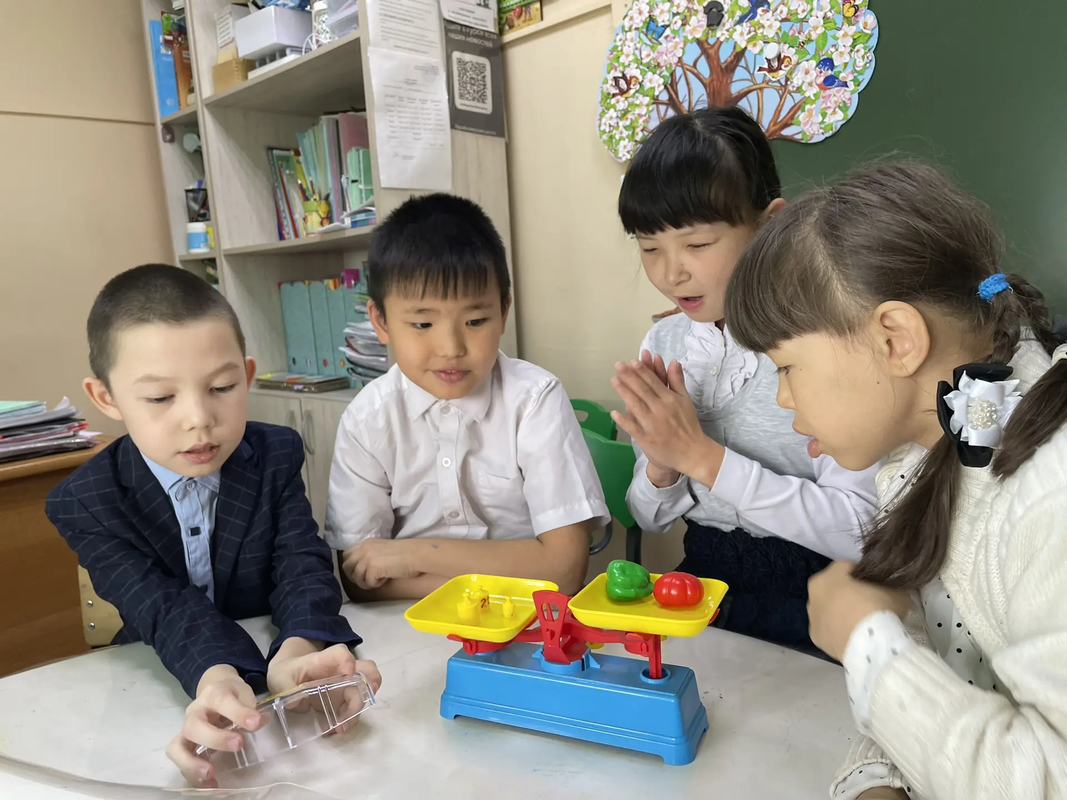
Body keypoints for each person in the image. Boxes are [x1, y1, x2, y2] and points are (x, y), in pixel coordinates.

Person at [724, 160, 1067, 800]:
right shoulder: (917, 458)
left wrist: (871, 649)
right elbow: (945, 676)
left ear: (896, 340)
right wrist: (874, 782)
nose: (782, 398)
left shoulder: (1050, 492)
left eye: (786, 367)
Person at [46, 264, 379, 788]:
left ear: (246, 375)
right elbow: (160, 605)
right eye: (161, 398)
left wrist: (297, 650)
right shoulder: (85, 502)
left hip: (278, 671)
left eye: (222, 387)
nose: (199, 418)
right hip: (163, 681)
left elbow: (301, 564)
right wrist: (218, 676)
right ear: (106, 396)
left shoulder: (275, 454)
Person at [609, 107, 878, 647]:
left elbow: (861, 530)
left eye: (697, 245)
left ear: (770, 224)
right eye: (649, 247)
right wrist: (662, 465)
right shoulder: (664, 344)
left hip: (820, 606)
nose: (671, 272)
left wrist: (701, 456)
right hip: (701, 596)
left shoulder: (830, 341)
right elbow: (649, 518)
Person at [325, 193, 609, 600]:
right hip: (405, 626)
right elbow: (361, 578)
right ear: (380, 321)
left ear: (504, 311)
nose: (451, 348)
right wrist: (523, 573)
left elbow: (564, 572)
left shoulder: (534, 400)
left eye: (475, 320)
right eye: (422, 324)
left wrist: (411, 555)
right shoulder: (367, 419)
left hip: (524, 625)